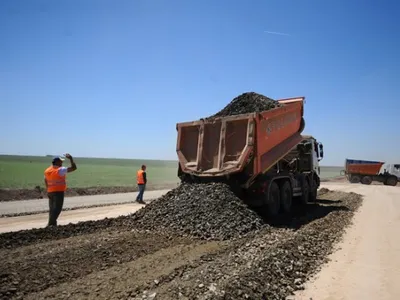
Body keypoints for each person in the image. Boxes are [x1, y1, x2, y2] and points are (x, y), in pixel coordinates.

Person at [44, 154, 77, 227]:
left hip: (50, 192)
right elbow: (74, 168)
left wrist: (48, 190)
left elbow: (45, 180)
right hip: (58, 192)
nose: (61, 163)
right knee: (57, 209)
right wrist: (71, 158)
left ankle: (52, 224)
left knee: (52, 209)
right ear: (57, 162)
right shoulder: (60, 170)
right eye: (60, 162)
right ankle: (50, 224)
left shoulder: (47, 170)